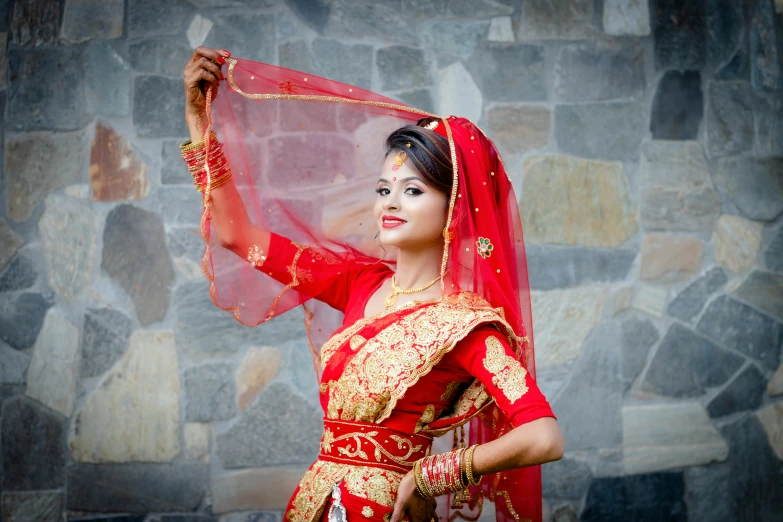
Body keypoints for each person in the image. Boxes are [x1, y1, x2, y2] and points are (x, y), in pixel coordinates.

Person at [181, 46, 564, 522]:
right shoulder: (358, 283)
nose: (390, 202)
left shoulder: (464, 326)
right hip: (310, 505)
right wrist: (199, 124)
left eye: (413, 190)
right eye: (384, 188)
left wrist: (432, 475)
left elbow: (544, 435)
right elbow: (237, 234)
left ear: (455, 207)